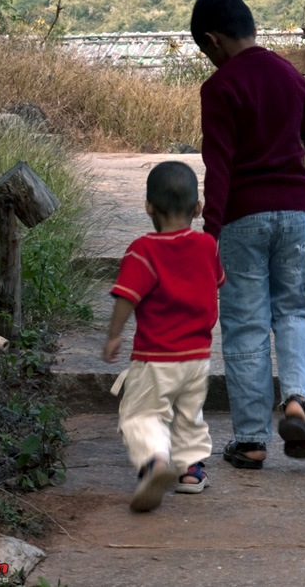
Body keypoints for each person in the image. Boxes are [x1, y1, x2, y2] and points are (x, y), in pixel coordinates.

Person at [190, 0, 305, 470]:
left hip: (241, 220)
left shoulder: (221, 88)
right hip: (294, 214)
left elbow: (220, 166)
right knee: (295, 310)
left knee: (246, 326)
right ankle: (296, 400)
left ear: (213, 41)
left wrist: (209, 235)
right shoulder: (288, 74)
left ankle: (251, 440)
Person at [103, 160, 225, 511]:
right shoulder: (207, 246)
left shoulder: (143, 250)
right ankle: (190, 472)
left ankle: (155, 460)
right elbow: (215, 283)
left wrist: (113, 336)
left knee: (141, 414)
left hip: (156, 357)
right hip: (198, 357)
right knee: (189, 414)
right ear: (199, 208)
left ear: (148, 207)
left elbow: (127, 296)